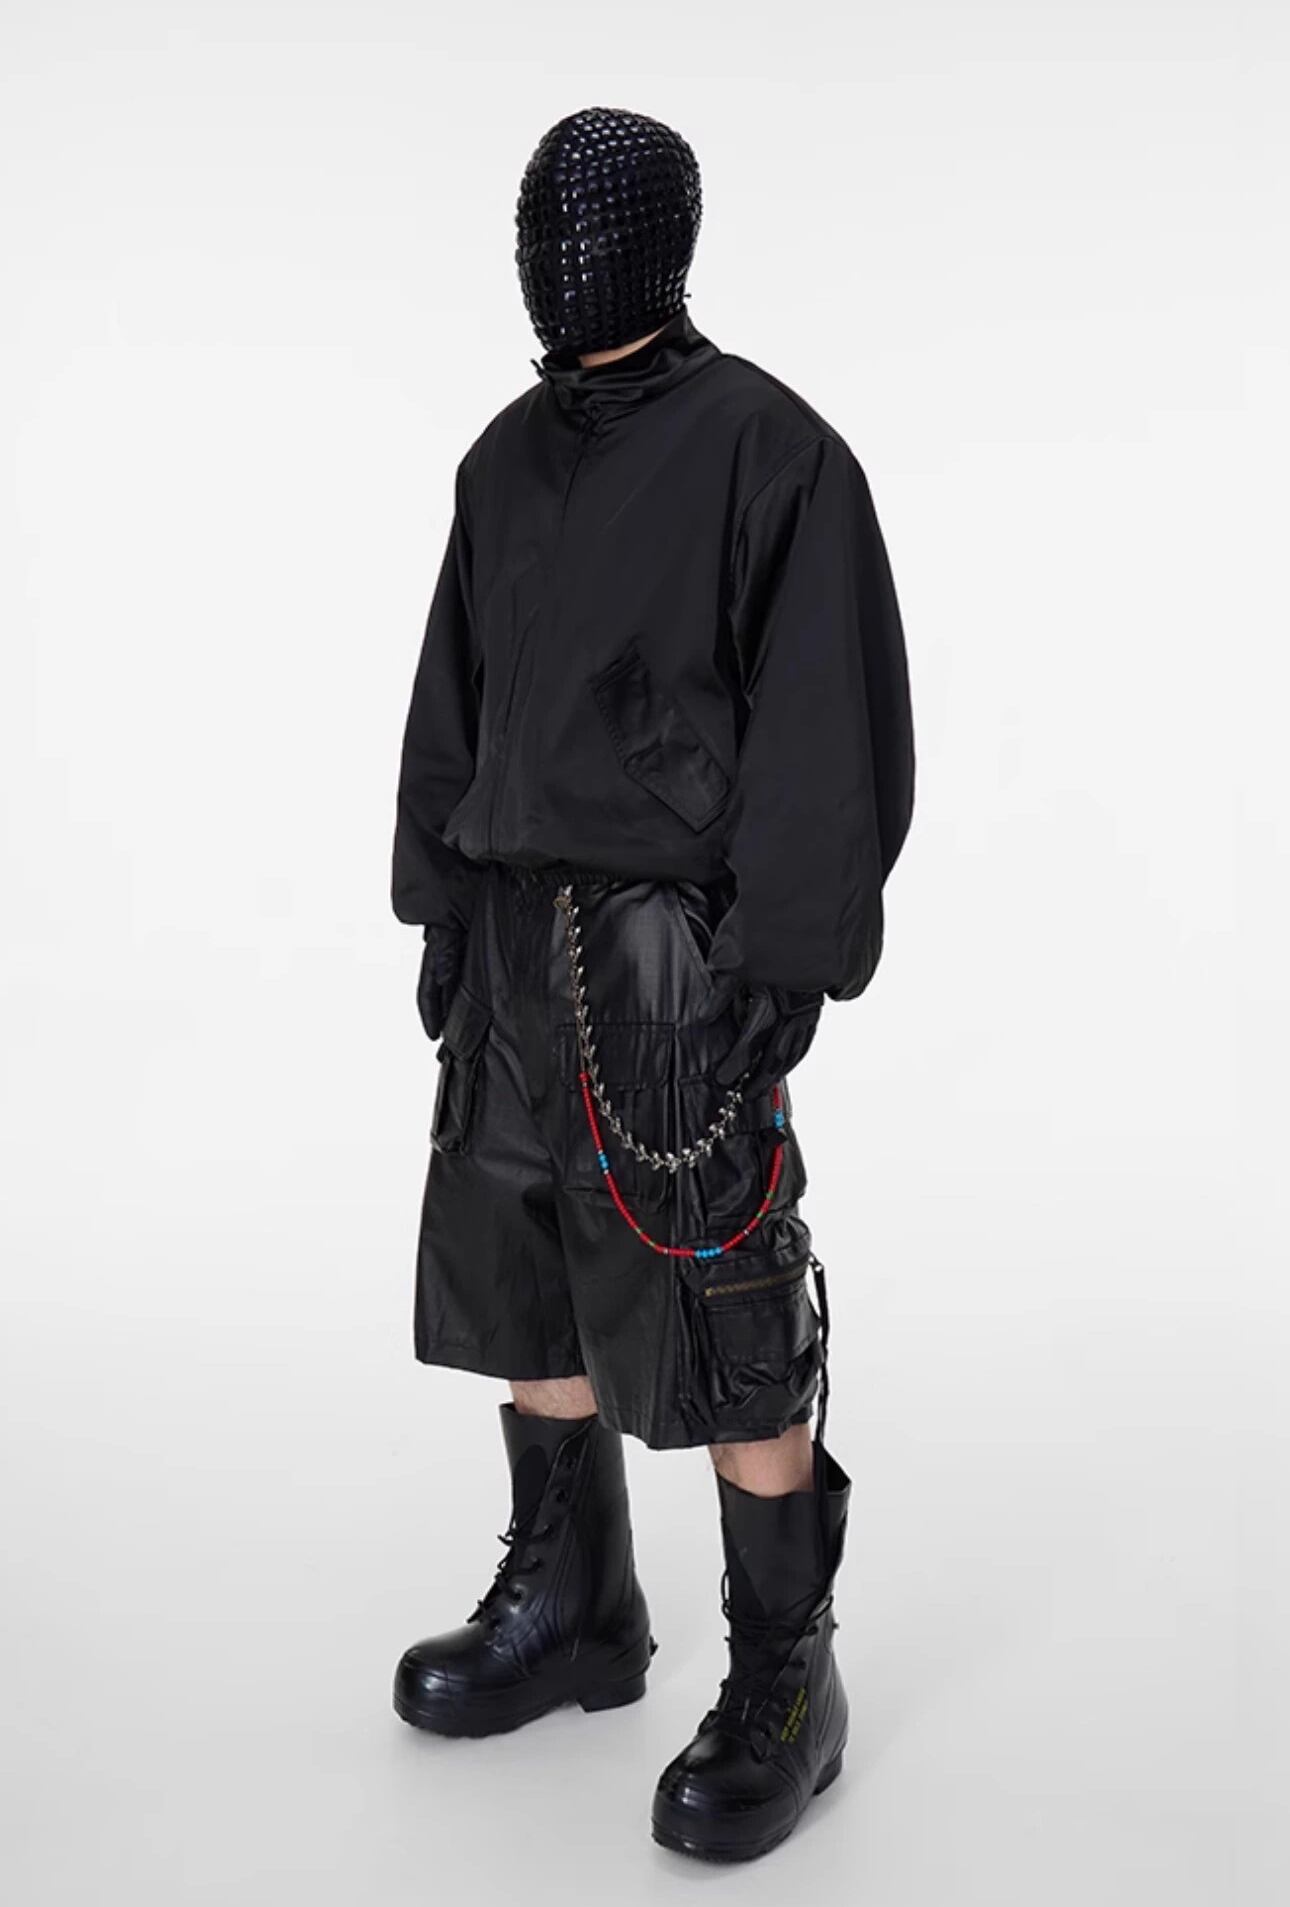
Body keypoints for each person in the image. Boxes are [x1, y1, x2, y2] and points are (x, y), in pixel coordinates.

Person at [389, 104, 915, 1863]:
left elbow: (830, 720)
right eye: (537, 225)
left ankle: (786, 1674)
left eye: (593, 225)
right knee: (518, 1264)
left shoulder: (771, 450)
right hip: (513, 933)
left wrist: (783, 956)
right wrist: (440, 904)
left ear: (664, 244)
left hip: (670, 950)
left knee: (721, 1292)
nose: (560, 257)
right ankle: (573, 1603)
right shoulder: (501, 462)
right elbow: (453, 698)